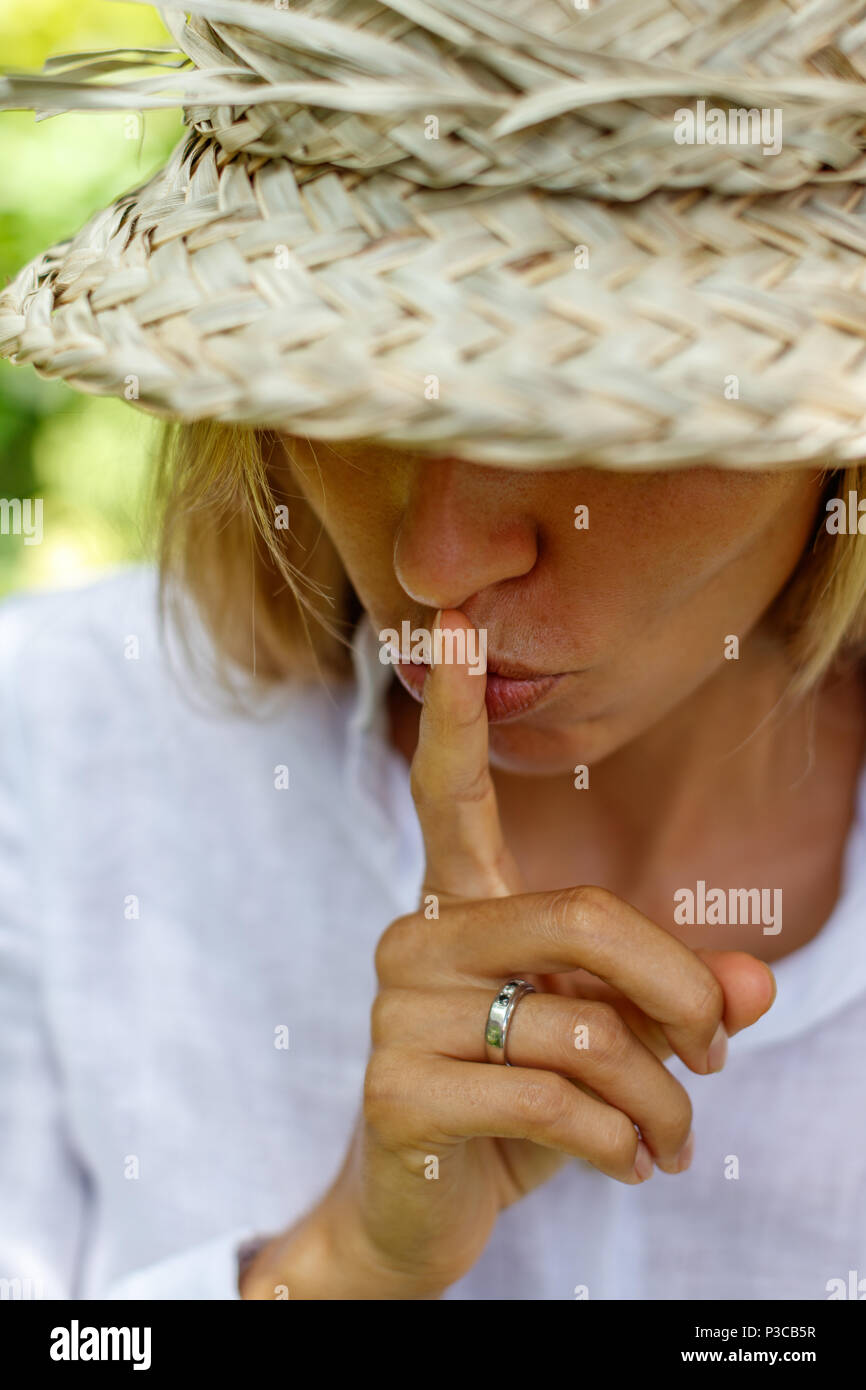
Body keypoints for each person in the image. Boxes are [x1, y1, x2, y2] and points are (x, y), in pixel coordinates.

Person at [1, 1, 865, 1301]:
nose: (439, 559)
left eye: (604, 400)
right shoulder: (50, 751)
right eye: (350, 381)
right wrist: (336, 1266)